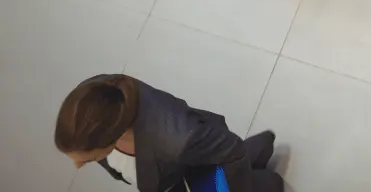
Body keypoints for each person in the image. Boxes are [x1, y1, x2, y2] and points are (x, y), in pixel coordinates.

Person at [54, 74, 283, 192]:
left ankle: (267, 183)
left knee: (247, 176)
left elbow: (232, 150)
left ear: (115, 135)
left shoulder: (178, 139)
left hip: (203, 166)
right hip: (181, 168)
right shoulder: (95, 98)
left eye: (90, 159)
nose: (77, 167)